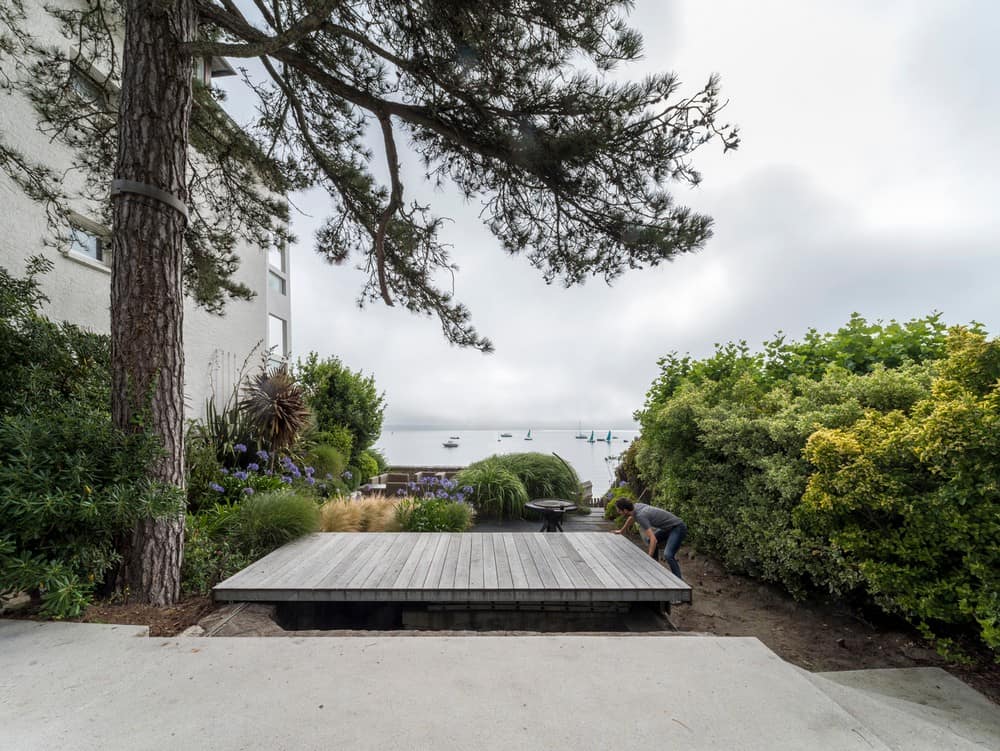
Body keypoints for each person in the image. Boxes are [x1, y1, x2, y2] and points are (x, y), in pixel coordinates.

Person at [612, 499, 687, 580]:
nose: (618, 513)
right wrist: (621, 531)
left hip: (678, 528)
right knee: (649, 540)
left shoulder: (641, 516)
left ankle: (679, 580)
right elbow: (631, 518)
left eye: (619, 511)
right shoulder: (635, 507)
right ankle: (655, 566)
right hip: (668, 528)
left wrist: (648, 558)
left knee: (668, 555)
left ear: (625, 510)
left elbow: (653, 540)